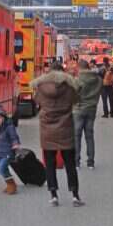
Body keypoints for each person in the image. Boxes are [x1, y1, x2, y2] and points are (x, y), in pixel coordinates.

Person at [32, 62, 83, 207]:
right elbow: (76, 100)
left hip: (47, 129)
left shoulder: (41, 86)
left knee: (49, 163)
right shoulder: (69, 87)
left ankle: (53, 195)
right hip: (65, 127)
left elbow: (37, 100)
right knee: (70, 163)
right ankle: (75, 195)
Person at [73, 60, 102, 169]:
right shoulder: (98, 79)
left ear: (79, 67)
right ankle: (91, 162)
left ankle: (76, 162)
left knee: (77, 136)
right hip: (92, 109)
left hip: (79, 109)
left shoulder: (78, 80)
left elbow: (74, 94)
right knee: (89, 135)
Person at [0, 107, 21, 195]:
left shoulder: (9, 127)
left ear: (4, 118)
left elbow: (14, 137)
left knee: (1, 169)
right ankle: (10, 184)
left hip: (8, 152)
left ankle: (12, 185)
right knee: (3, 169)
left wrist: (15, 144)